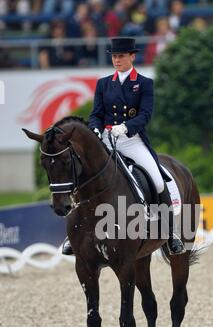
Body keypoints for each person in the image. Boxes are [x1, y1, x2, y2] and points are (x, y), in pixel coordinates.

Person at [62, 37, 185, 256]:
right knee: (81, 176)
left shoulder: (144, 83)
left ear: (132, 56)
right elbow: (96, 114)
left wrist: (126, 127)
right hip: (106, 140)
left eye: (120, 56)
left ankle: (170, 231)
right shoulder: (104, 83)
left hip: (131, 139)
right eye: (114, 56)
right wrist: (96, 129)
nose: (116, 60)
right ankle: (74, 232)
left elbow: (146, 115)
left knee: (157, 180)